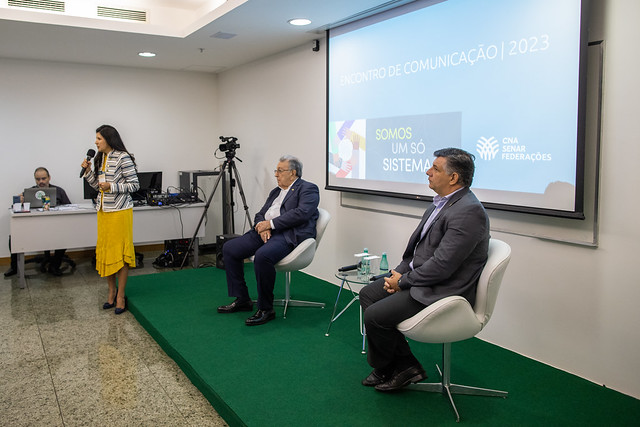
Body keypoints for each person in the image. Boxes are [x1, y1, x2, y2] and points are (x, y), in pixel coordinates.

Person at [359, 148, 490, 392]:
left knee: (375, 316)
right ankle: (403, 366)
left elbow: (443, 265)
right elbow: (415, 253)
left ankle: (395, 366)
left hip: (443, 290)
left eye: (435, 169)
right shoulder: (439, 205)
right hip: (421, 279)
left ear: (453, 178)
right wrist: (395, 275)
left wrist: (404, 282)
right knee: (368, 294)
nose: (427, 172)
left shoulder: (468, 211)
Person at [217, 155, 320, 326]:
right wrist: (261, 225)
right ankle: (242, 299)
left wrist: (270, 224)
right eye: (276, 170)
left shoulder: (308, 189)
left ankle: (266, 309)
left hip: (287, 234)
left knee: (262, 256)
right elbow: (260, 213)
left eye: (280, 170)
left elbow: (302, 213)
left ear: (293, 173)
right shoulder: (276, 191)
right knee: (230, 248)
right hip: (266, 232)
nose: (276, 174)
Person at [81, 125, 139, 315]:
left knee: (120, 255)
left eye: (98, 138)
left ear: (108, 139)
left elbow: (135, 185)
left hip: (120, 212)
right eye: (96, 138)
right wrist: (89, 172)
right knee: (106, 253)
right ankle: (111, 291)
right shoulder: (101, 158)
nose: (95, 142)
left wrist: (112, 187)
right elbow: (98, 186)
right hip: (103, 211)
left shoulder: (123, 157)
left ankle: (121, 295)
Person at [4, 167, 72, 277]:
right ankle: (14, 267)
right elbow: (15, 209)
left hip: (55, 227)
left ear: (49, 178)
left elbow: (70, 206)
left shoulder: (59, 191)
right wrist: (19, 202)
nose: (41, 182)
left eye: (43, 179)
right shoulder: (29, 192)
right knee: (13, 237)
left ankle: (54, 266)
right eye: (38, 179)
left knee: (63, 236)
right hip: (34, 228)